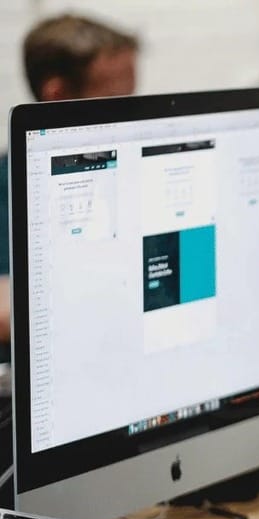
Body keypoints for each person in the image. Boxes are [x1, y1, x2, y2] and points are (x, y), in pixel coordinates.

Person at [0, 13, 139, 358]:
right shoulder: (11, 187)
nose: (132, 116)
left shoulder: (128, 169)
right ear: (58, 95)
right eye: (114, 100)